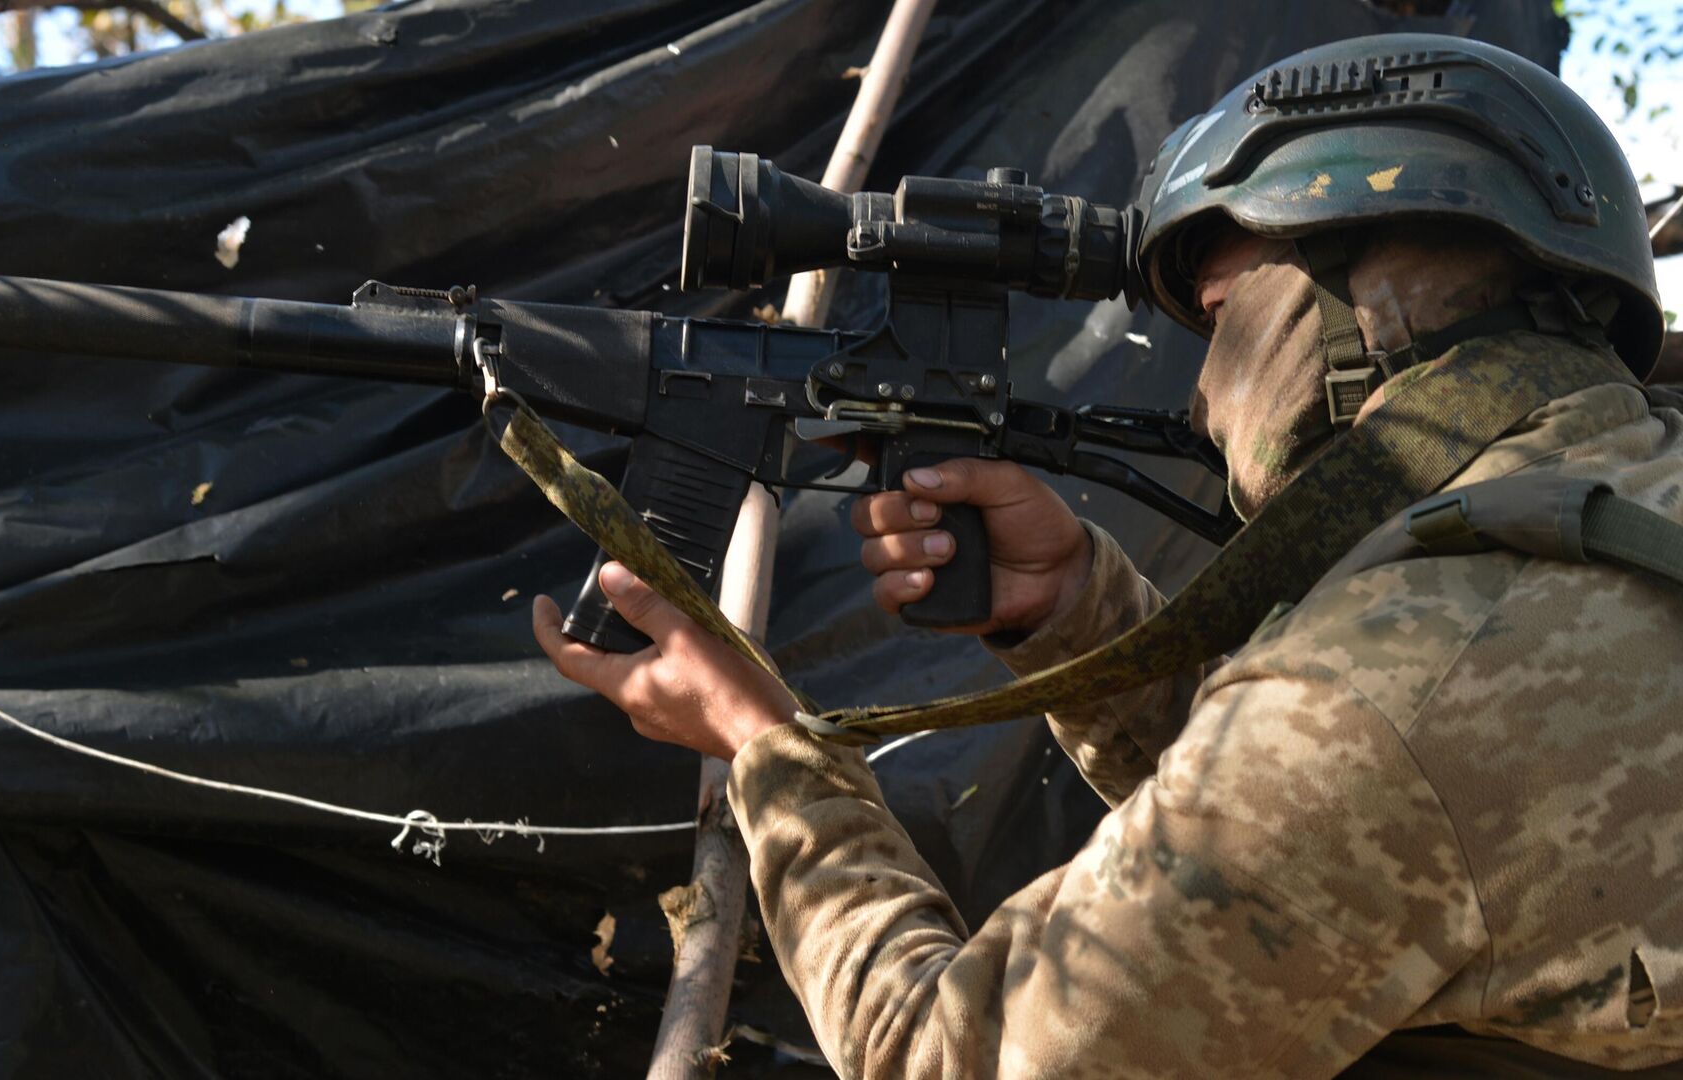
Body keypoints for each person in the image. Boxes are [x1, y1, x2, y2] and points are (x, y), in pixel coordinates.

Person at [534, 33, 1683, 1077]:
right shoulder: (1629, 507)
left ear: (1370, 307)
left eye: (1226, 314)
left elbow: (949, 1060)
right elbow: (1370, 850)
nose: (1199, 395)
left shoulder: (1390, 679)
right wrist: (1085, 615)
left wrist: (766, 748)